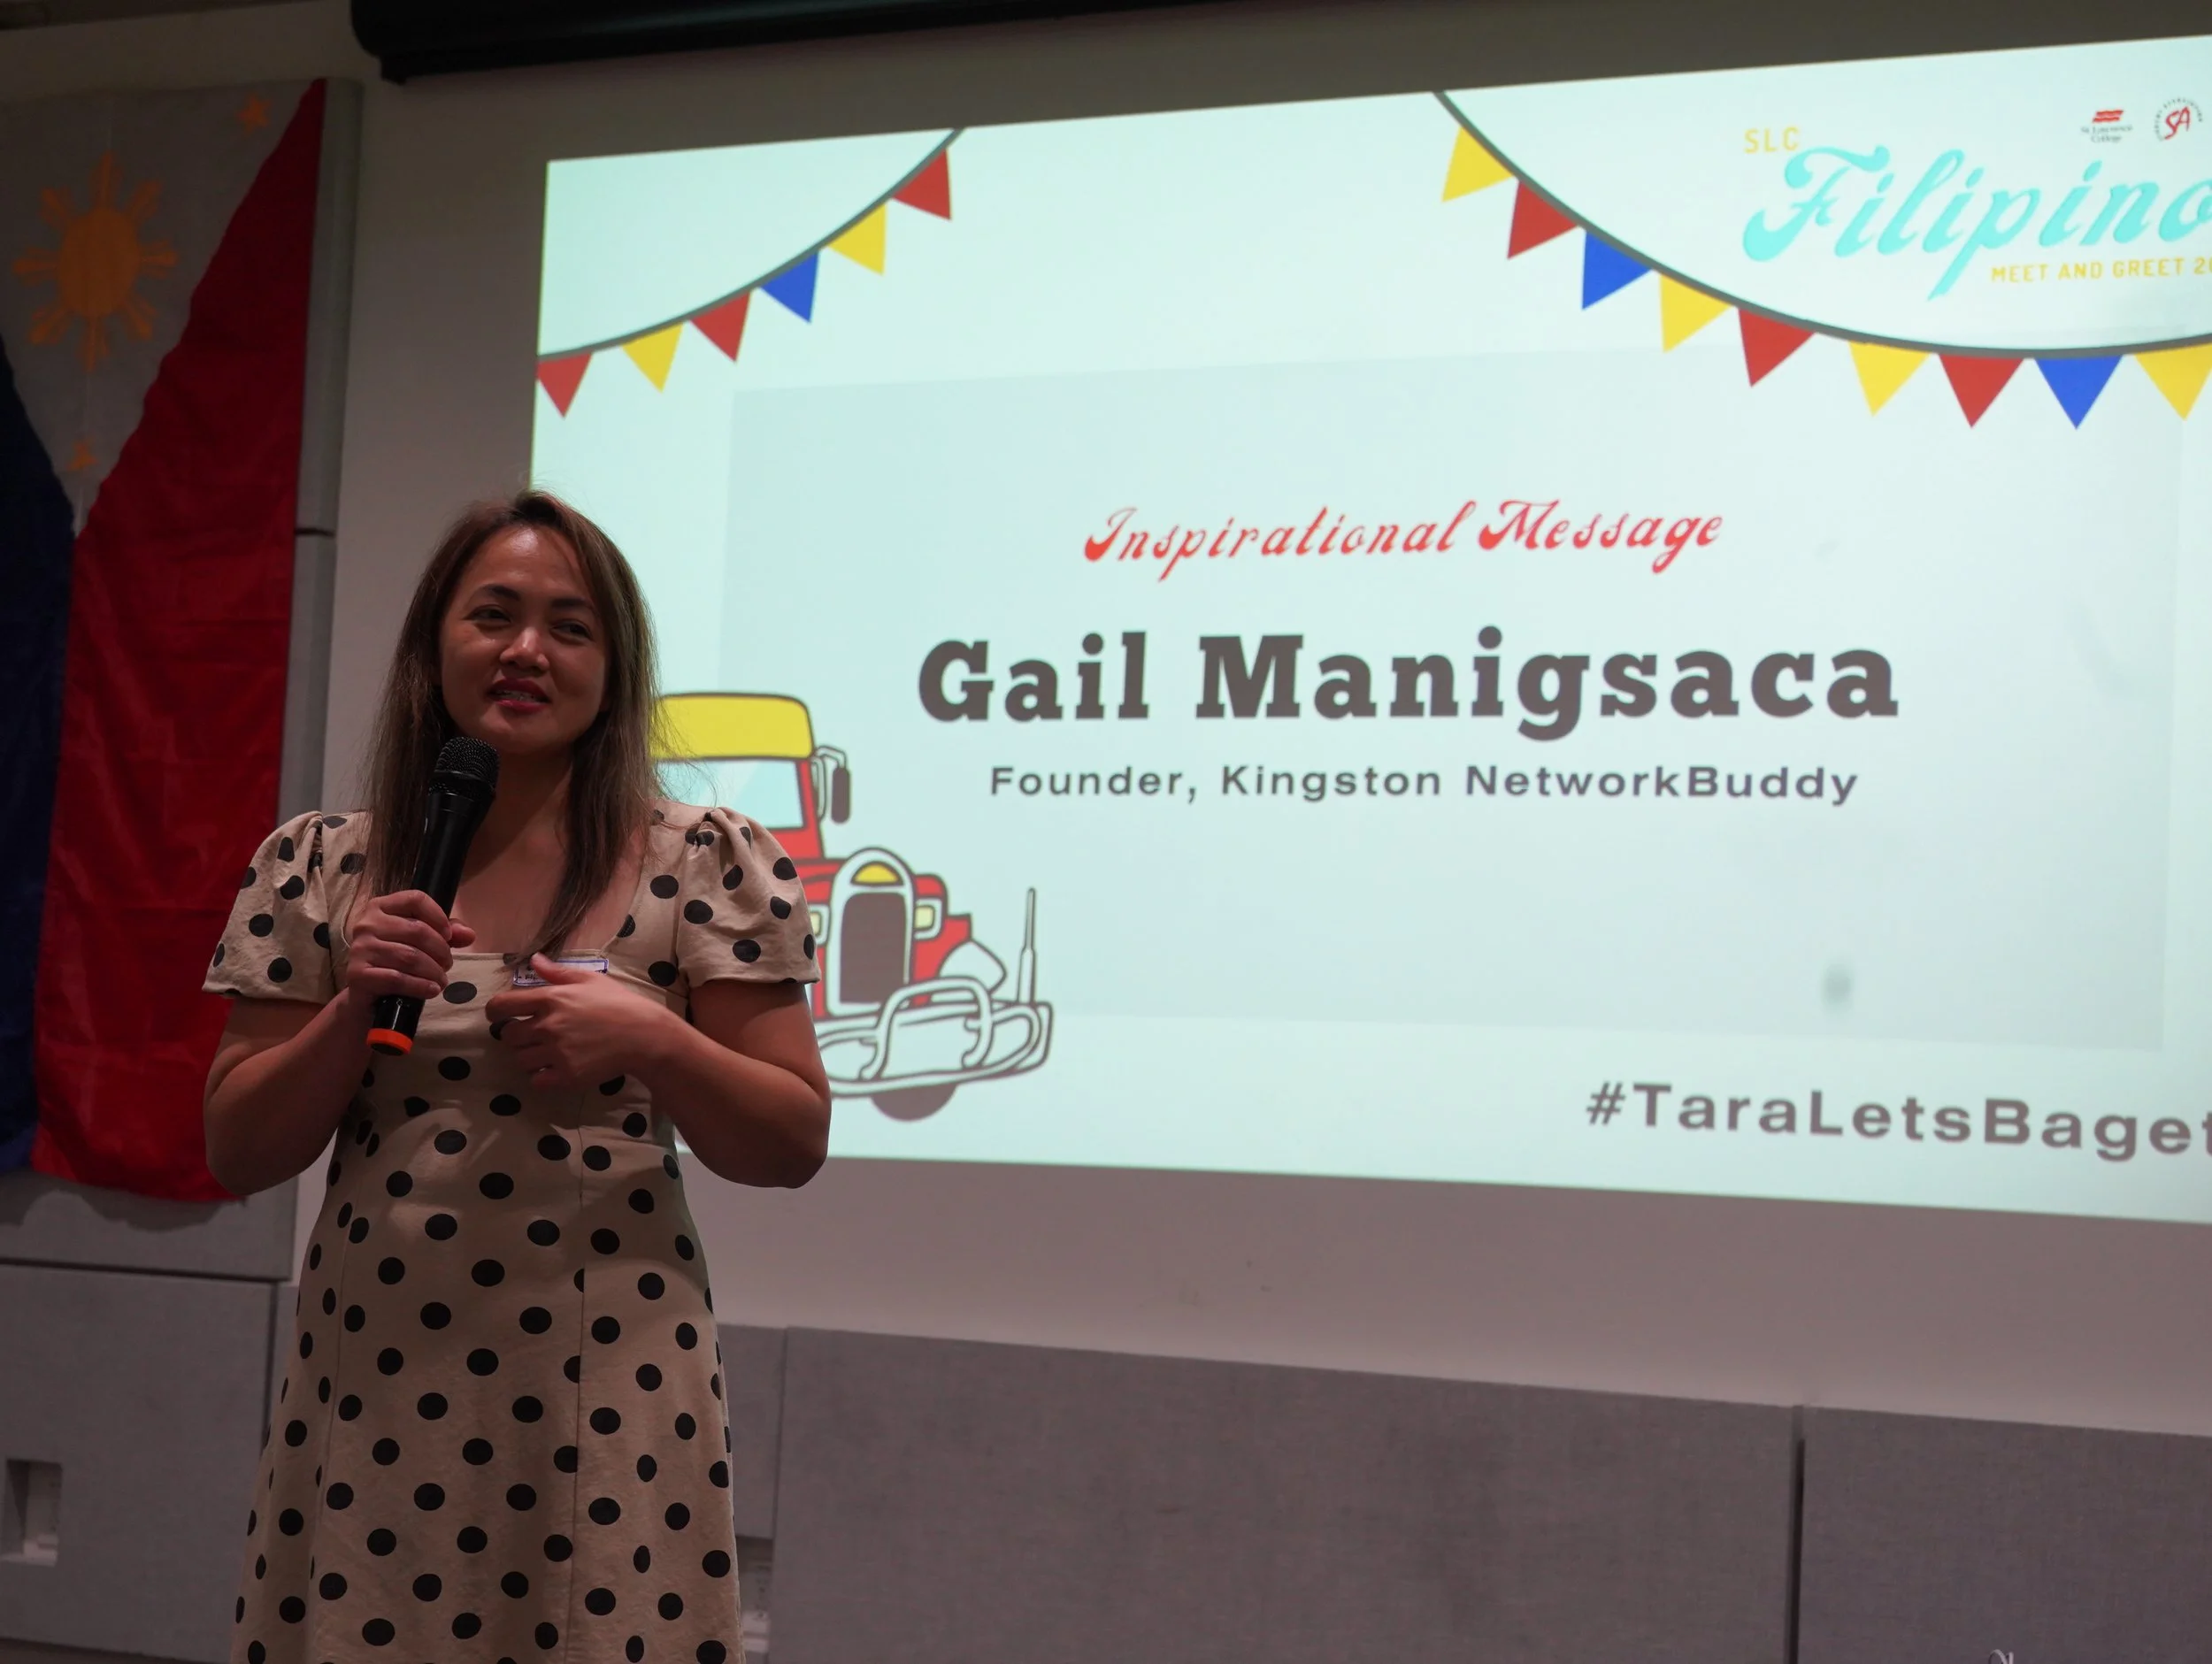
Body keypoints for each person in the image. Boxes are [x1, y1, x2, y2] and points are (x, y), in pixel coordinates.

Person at [203, 490, 829, 1664]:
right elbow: (237, 1148)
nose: (528, 649)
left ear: (614, 666)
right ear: (437, 644)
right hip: (379, 1372)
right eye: (494, 615)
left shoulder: (704, 856)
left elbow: (791, 1141)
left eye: (570, 625)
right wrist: (351, 1006)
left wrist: (652, 1038)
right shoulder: (319, 863)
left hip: (613, 1383)